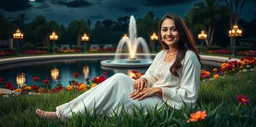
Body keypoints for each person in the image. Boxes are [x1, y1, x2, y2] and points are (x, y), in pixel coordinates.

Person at [36, 13, 201, 120]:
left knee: (121, 99)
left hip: (168, 105)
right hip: (151, 95)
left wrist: (159, 90)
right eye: (164, 30)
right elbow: (151, 76)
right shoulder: (161, 55)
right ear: (160, 34)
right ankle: (64, 112)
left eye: (173, 29)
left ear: (181, 32)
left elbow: (190, 98)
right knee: (119, 78)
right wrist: (143, 80)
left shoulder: (189, 57)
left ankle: (63, 116)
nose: (168, 34)